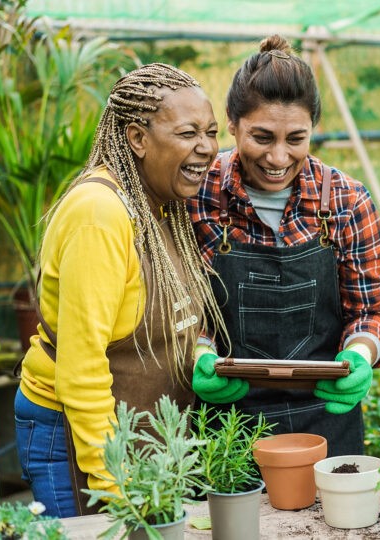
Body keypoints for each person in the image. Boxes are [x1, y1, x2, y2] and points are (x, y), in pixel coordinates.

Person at [14, 63, 227, 517]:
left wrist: (201, 356)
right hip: (75, 435)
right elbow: (82, 368)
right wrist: (116, 485)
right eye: (188, 132)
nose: (206, 147)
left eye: (211, 131)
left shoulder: (161, 204)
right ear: (137, 139)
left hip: (140, 432)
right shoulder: (100, 215)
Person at [188, 34, 380, 457]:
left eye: (295, 139)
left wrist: (360, 353)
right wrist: (198, 352)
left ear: (313, 129)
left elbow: (371, 311)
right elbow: (175, 307)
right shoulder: (197, 196)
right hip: (225, 423)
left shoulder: (346, 202)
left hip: (326, 419)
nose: (278, 157)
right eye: (262, 137)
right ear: (232, 124)